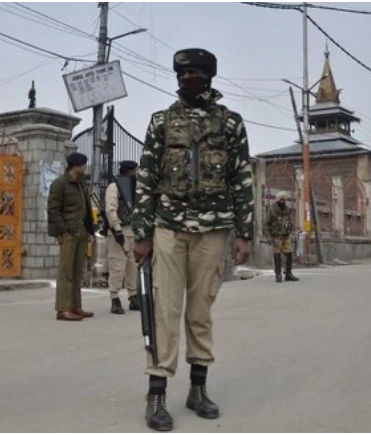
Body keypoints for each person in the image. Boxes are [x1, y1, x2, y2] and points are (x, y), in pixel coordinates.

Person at [132, 47, 255, 432]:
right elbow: (146, 178)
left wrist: (245, 232)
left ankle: (198, 389)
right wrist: (142, 233)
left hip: (213, 229)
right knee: (164, 310)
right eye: (183, 74)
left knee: (201, 311)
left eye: (195, 73)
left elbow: (242, 177)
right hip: (169, 226)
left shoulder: (230, 123)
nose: (188, 79)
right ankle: (156, 393)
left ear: (209, 77)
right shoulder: (161, 122)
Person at [47, 152, 95, 321]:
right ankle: (63, 309)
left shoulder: (81, 184)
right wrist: (63, 230)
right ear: (76, 166)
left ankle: (76, 306)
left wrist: (89, 230)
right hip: (68, 232)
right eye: (83, 165)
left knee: (77, 272)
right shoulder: (60, 184)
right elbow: (53, 209)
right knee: (66, 271)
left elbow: (86, 208)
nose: (85, 168)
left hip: (81, 231)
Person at [105, 160, 140, 314]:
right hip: (119, 231)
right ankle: (115, 298)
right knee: (117, 266)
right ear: (128, 171)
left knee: (133, 266)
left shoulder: (135, 187)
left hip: (133, 231)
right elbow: (111, 209)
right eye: (134, 171)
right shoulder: (114, 187)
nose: (136, 173)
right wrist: (116, 228)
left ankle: (133, 297)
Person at [264, 191, 299, 282]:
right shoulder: (272, 210)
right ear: (277, 199)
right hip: (276, 236)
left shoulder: (287, 209)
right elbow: (266, 224)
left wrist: (290, 228)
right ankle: (278, 274)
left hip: (286, 236)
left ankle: (288, 273)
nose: (282, 201)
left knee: (289, 254)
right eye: (281, 199)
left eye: (284, 199)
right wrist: (268, 237)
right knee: (277, 254)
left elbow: (289, 221)